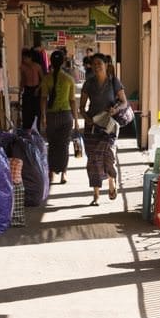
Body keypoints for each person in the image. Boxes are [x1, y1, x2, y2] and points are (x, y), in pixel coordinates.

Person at [79, 53, 128, 206]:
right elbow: (81, 107)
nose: (96, 66)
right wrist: (87, 119)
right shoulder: (89, 83)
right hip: (92, 127)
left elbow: (124, 102)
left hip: (110, 126)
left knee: (109, 155)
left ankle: (112, 181)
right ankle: (96, 195)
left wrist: (116, 109)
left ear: (106, 64)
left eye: (99, 63)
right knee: (93, 160)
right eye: (94, 64)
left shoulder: (114, 82)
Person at [40, 50, 79, 184]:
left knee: (52, 145)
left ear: (51, 62)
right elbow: (72, 101)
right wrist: (76, 120)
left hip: (51, 116)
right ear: (63, 62)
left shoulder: (46, 79)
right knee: (64, 146)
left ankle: (51, 173)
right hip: (65, 116)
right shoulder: (69, 79)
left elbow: (44, 99)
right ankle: (64, 174)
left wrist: (43, 116)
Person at [19, 48, 43, 130]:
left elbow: (42, 80)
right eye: (23, 58)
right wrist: (20, 91)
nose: (24, 60)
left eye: (26, 58)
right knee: (27, 111)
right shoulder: (22, 67)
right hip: (27, 90)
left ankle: (36, 129)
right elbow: (22, 80)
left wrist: (38, 89)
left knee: (36, 111)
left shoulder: (37, 66)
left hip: (36, 89)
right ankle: (26, 130)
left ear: (30, 58)